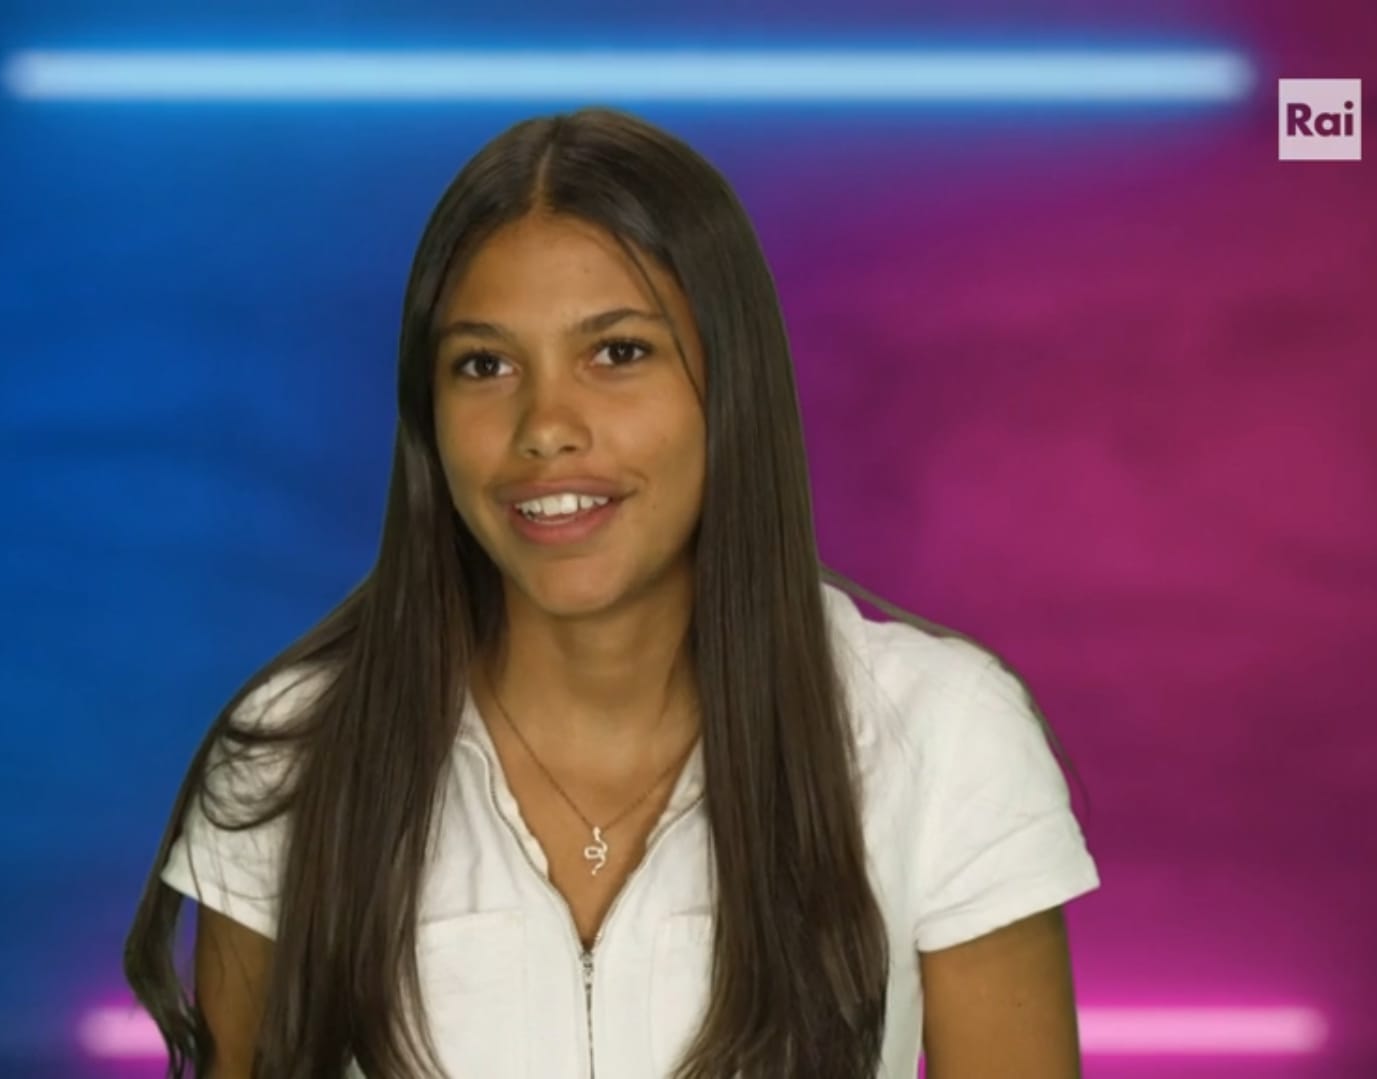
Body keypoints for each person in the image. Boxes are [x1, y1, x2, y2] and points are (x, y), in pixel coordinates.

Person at [124, 105, 1100, 1079]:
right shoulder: (293, 758)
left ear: (730, 381)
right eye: (484, 364)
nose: (545, 425)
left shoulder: (944, 737)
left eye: (619, 351)